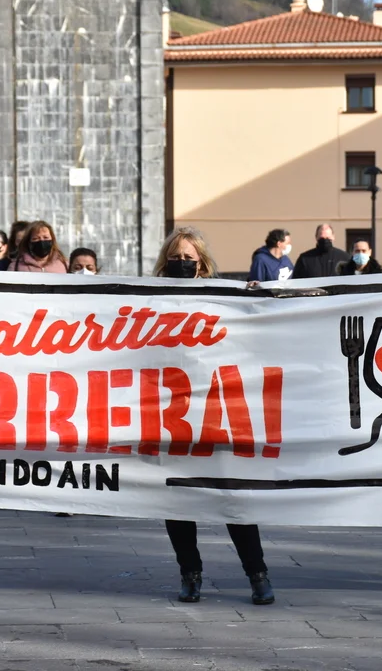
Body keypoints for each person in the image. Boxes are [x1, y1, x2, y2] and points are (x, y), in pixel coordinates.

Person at [152, 226, 273, 605]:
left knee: (232, 496)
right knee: (177, 499)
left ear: (202, 264)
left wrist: (254, 299)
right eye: (175, 257)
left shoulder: (221, 300)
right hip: (170, 413)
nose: (182, 263)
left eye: (188, 258)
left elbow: (254, 334)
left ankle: (257, 573)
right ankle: (190, 573)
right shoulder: (149, 300)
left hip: (215, 413)